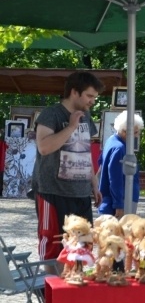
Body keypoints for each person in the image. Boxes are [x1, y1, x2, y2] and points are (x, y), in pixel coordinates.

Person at [33, 71, 104, 267]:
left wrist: (94, 184)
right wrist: (71, 127)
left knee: (83, 245)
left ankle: (76, 282)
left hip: (81, 192)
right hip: (53, 191)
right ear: (74, 92)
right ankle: (50, 285)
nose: (92, 101)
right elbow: (44, 147)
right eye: (89, 96)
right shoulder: (51, 114)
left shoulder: (86, 116)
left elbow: (84, 152)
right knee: (54, 244)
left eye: (94, 97)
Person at [98, 111, 144, 217]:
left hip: (111, 200)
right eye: (135, 132)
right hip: (120, 201)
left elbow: (101, 162)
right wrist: (118, 205)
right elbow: (115, 179)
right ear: (124, 131)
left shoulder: (111, 141)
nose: (137, 135)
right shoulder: (120, 148)